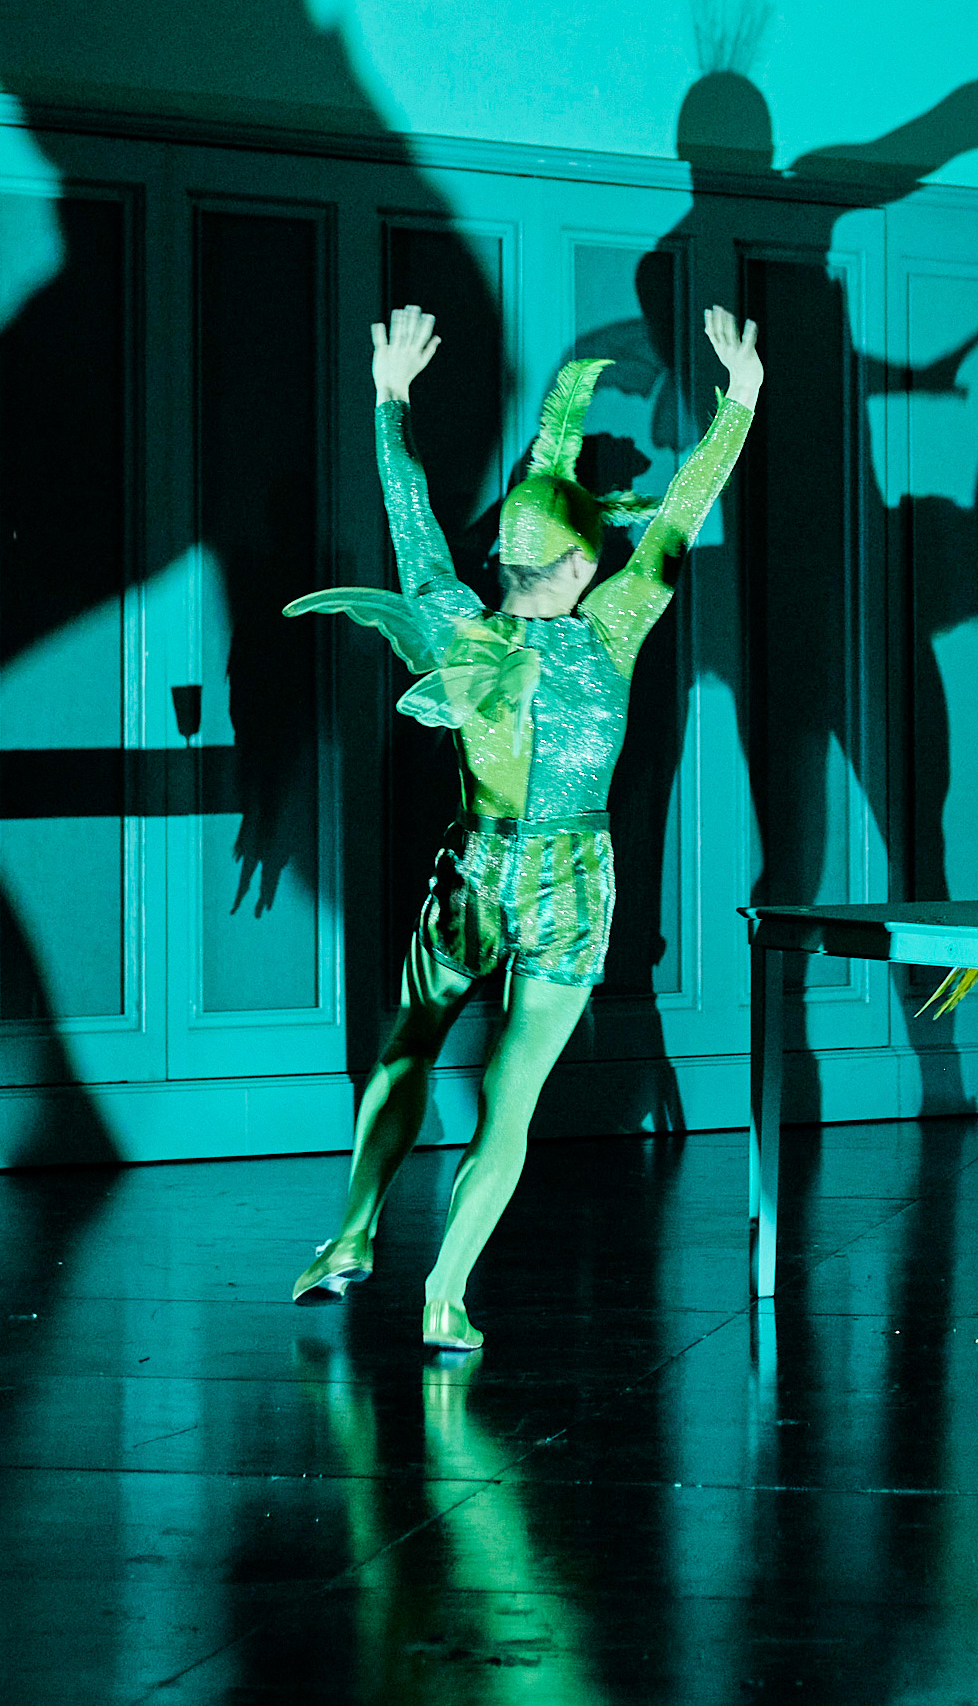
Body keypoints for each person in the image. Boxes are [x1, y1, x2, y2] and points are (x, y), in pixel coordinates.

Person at [284, 303, 760, 1361]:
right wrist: (739, 400)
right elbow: (680, 509)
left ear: (499, 552)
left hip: (474, 868)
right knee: (512, 1099)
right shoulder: (614, 625)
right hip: (572, 879)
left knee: (407, 1046)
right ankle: (443, 1295)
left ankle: (353, 1232)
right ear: (585, 562)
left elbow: (408, 505)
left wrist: (390, 396)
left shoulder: (459, 619)